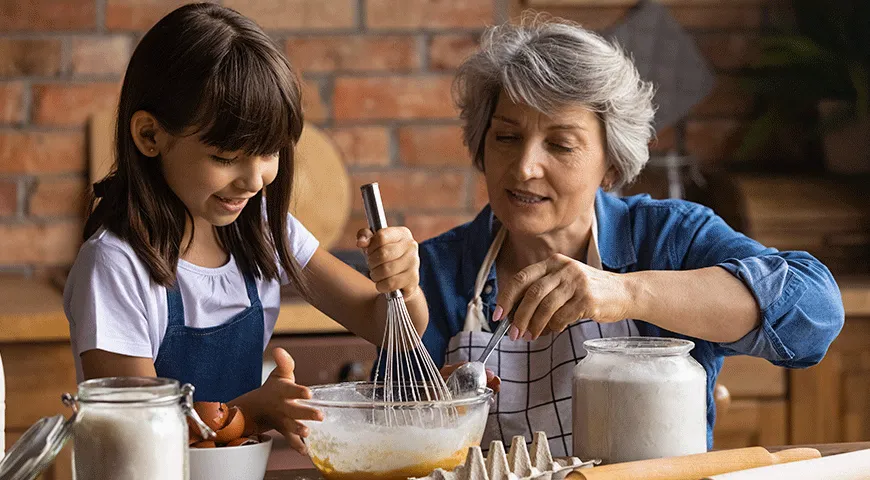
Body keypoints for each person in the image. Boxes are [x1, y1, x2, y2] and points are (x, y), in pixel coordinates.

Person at [423, 16, 845, 456]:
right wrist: (425, 414)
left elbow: (815, 314)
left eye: (561, 145)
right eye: (507, 137)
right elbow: (385, 432)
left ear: (611, 164)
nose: (525, 167)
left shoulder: (669, 239)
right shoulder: (437, 271)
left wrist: (626, 293)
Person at [63, 3, 426, 455]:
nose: (255, 181)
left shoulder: (266, 232)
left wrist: (403, 285)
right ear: (150, 136)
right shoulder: (115, 266)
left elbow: (393, 327)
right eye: (226, 157)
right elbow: (135, 432)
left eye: (270, 152)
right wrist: (253, 413)